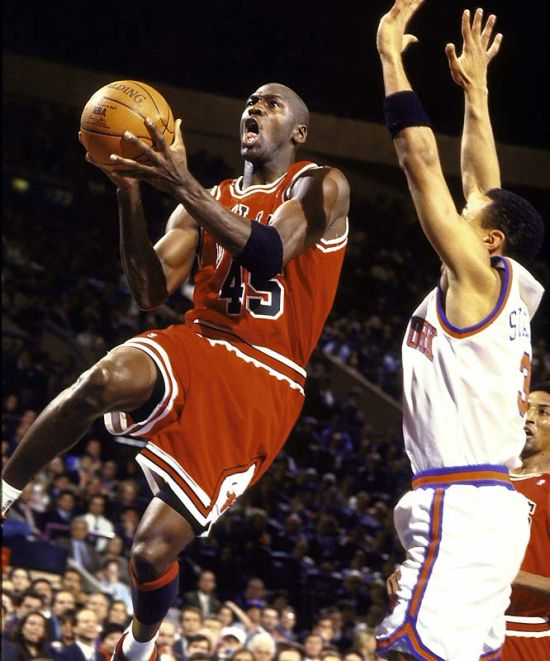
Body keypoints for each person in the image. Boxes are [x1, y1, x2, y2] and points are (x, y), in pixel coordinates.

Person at [2, 81, 350, 661]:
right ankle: (5, 492)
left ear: (299, 131)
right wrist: (130, 194)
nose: (255, 108)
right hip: (199, 340)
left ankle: (140, 645)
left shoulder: (321, 184)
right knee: (102, 380)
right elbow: (148, 292)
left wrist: (181, 183)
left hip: (265, 375)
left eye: (272, 104)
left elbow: (269, 252)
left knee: (150, 553)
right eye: (251, 102)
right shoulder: (205, 198)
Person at [374, 2, 545, 660]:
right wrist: (477, 93)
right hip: (487, 506)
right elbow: (484, 181)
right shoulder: (506, 287)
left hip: (462, 500)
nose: (459, 208)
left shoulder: (474, 278)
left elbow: (420, 162)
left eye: (468, 214)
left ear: (490, 240)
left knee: (405, 652)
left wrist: (391, 58)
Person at [502, 381, 550, 659]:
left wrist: (513, 577)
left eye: (543, 412)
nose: (529, 417)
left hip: (526, 634)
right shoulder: (487, 478)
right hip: (466, 624)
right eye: (526, 408)